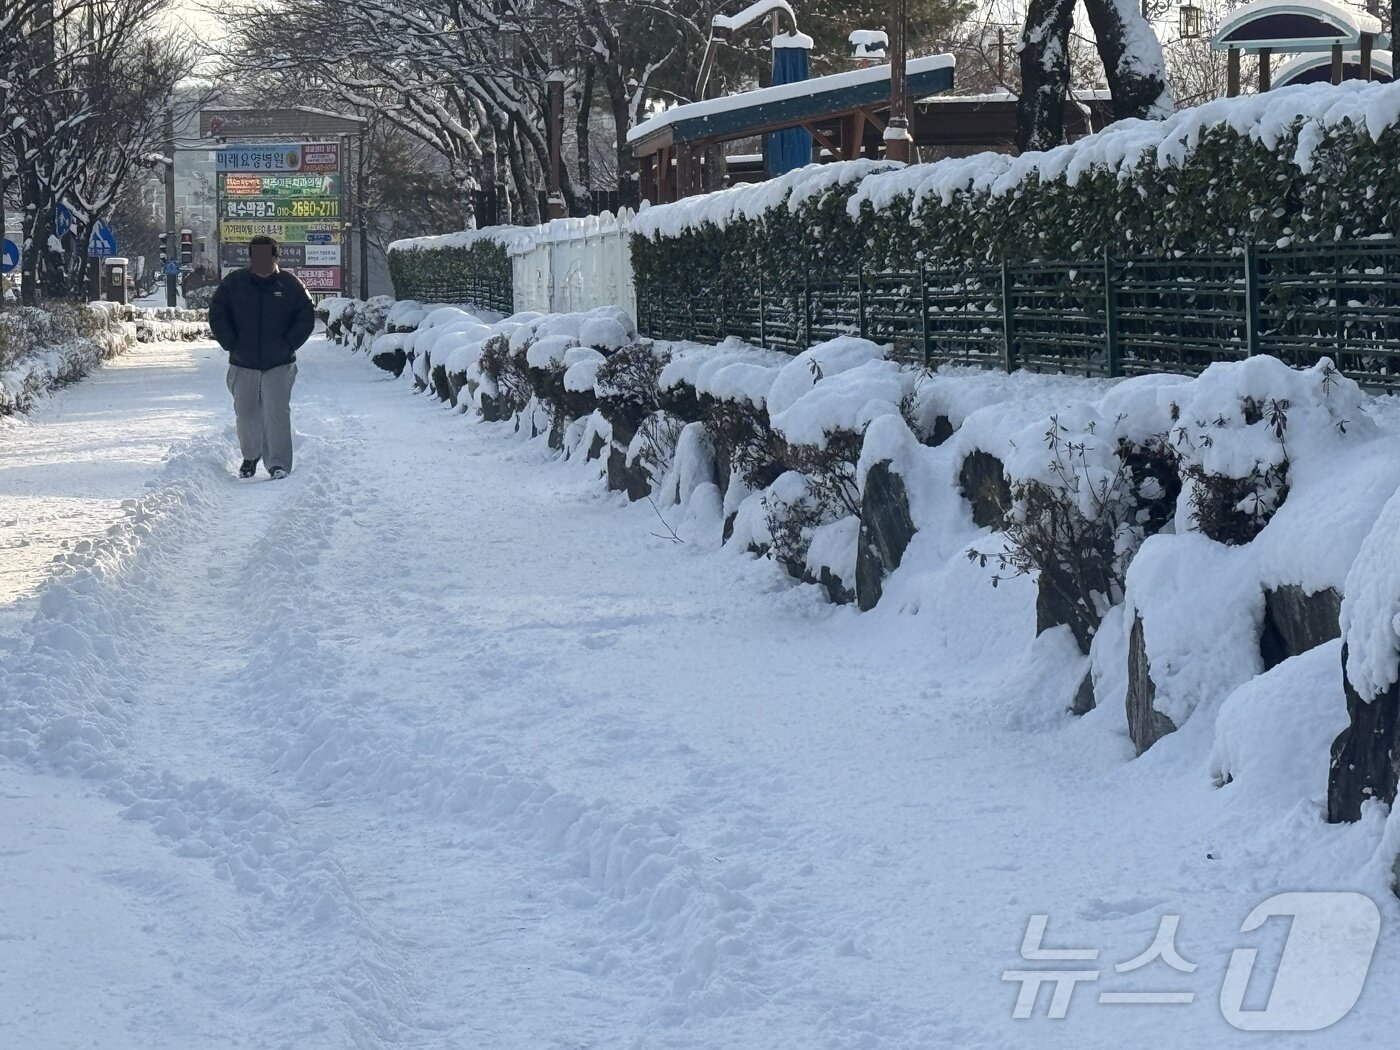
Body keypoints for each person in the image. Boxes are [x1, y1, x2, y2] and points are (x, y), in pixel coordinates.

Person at [208, 235, 315, 479]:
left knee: (276, 413)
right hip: (242, 362)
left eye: (267, 256)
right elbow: (217, 313)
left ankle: (278, 464)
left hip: (279, 363)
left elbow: (306, 317)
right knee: (246, 413)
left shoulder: (291, 285)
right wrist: (231, 343)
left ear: (276, 257)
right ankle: (250, 455)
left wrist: (288, 344)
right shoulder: (234, 284)